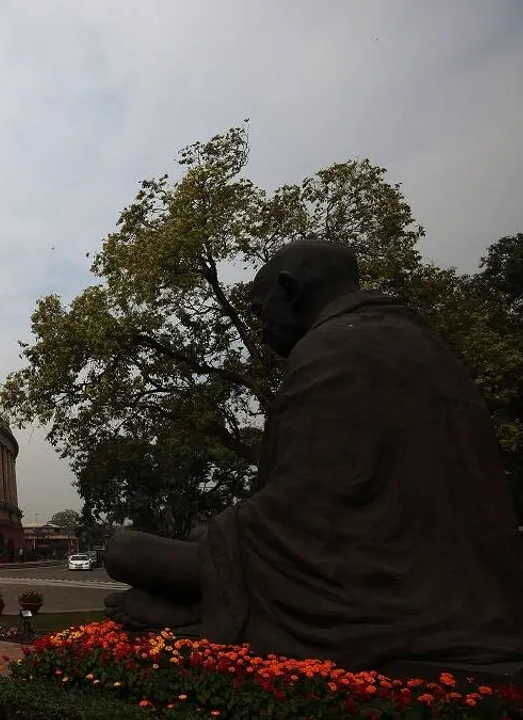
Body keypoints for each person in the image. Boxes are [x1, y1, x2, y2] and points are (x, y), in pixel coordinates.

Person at [102, 239, 523, 670]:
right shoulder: (421, 344)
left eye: (259, 312)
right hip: (450, 581)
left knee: (123, 549)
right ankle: (201, 601)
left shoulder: (334, 349)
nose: (262, 329)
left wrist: (217, 546)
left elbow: (302, 516)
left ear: (289, 289)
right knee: (188, 543)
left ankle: (206, 605)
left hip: (368, 587)